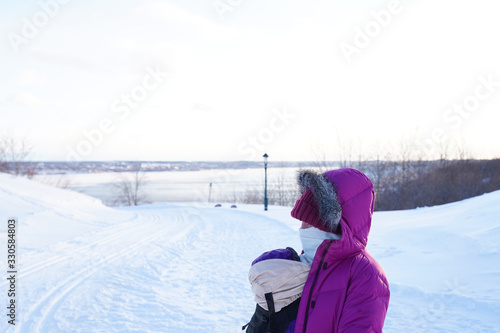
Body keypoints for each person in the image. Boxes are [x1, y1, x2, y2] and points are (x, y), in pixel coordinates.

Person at [285, 168, 390, 333]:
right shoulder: (311, 261)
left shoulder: (366, 275)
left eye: (310, 223)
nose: (302, 230)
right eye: (301, 222)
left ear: (336, 226)